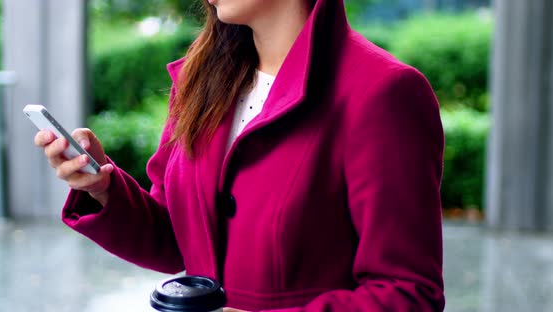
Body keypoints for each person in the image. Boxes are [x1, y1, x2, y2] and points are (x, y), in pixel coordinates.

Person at [34, 0, 445, 310]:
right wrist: (104, 187)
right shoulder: (203, 79)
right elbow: (176, 239)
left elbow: (409, 292)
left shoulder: (382, 92)